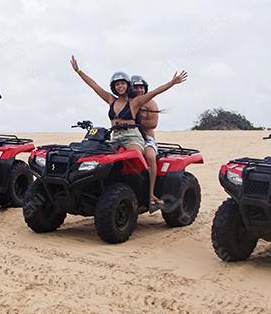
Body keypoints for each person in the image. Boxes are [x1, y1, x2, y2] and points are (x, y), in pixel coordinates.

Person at [69, 55, 189, 209]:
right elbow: (94, 85)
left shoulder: (135, 103)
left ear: (127, 86)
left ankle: (150, 194)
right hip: (115, 137)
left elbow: (155, 92)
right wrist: (79, 71)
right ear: (114, 86)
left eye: (123, 83)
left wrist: (172, 82)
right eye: (117, 84)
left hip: (132, 137)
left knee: (139, 162)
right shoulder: (111, 100)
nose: (120, 86)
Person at [130, 74, 162, 194]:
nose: (139, 90)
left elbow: (153, 124)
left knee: (149, 156)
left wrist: (133, 123)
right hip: (130, 138)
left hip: (146, 139)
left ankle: (151, 193)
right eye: (136, 87)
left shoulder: (150, 103)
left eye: (141, 87)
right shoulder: (127, 102)